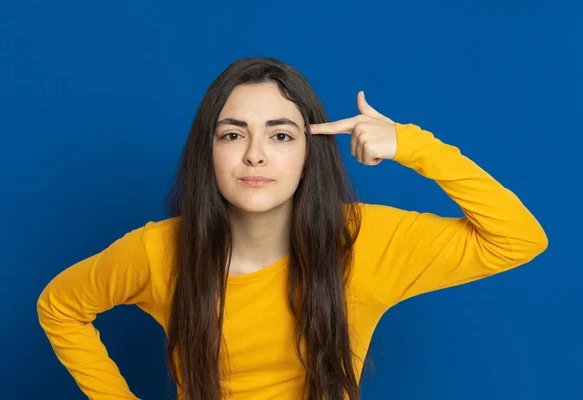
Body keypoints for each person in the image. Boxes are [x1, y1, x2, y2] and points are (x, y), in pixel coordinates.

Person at [37, 57, 548, 400]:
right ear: (207, 152)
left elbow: (519, 238)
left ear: (309, 154)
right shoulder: (159, 251)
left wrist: (410, 146)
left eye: (281, 135)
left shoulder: (363, 242)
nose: (255, 153)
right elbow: (59, 307)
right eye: (233, 134)